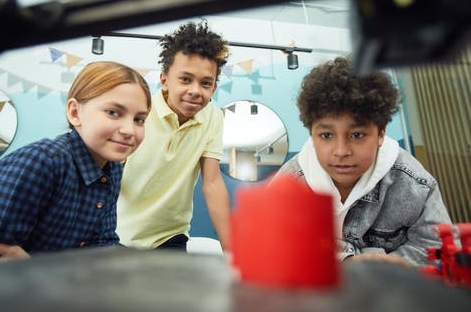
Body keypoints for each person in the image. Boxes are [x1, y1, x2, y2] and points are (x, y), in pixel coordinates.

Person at [0, 61, 151, 262]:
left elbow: (101, 242)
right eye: (113, 112)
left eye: (139, 119)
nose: (129, 130)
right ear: (74, 113)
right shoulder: (39, 163)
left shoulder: (113, 167)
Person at [271, 57, 452, 267]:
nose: (341, 151)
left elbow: (437, 246)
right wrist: (349, 261)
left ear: (381, 134)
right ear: (312, 135)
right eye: (326, 135)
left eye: (357, 135)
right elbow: (272, 247)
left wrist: (383, 268)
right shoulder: (290, 184)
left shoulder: (413, 184)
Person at [116, 20, 231, 251]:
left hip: (171, 236)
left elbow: (212, 183)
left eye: (206, 83)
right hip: (119, 235)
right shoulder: (140, 110)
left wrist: (233, 252)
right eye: (185, 79)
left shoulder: (213, 116)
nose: (195, 91)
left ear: (214, 88)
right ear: (164, 80)